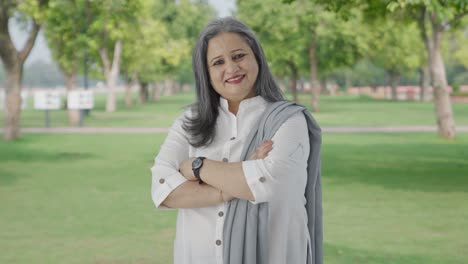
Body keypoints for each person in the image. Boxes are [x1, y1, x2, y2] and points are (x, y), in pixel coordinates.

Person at [151, 17, 322, 264]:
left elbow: (269, 184)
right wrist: (231, 187)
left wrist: (197, 167)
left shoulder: (288, 120)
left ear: (257, 58)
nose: (231, 68)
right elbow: (164, 190)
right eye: (218, 62)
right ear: (206, 73)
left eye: (239, 56)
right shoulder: (190, 121)